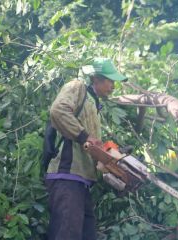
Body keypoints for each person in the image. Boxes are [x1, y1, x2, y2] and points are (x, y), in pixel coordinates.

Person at [45, 58, 127, 240]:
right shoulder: (77, 87)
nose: (113, 86)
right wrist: (84, 137)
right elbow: (58, 111)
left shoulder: (94, 103)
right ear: (96, 79)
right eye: (110, 81)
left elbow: (92, 144)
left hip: (81, 182)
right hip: (67, 177)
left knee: (87, 234)